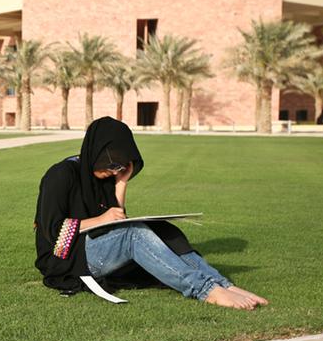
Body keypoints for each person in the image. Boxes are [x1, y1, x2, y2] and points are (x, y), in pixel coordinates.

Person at [34, 116, 268, 310]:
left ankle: (220, 283)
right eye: (111, 165)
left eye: (120, 166)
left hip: (94, 246)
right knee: (133, 235)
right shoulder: (60, 175)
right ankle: (205, 290)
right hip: (64, 257)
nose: (114, 170)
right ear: (95, 152)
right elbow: (52, 231)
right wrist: (101, 219)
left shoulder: (106, 178)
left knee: (165, 231)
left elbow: (116, 219)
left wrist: (121, 183)